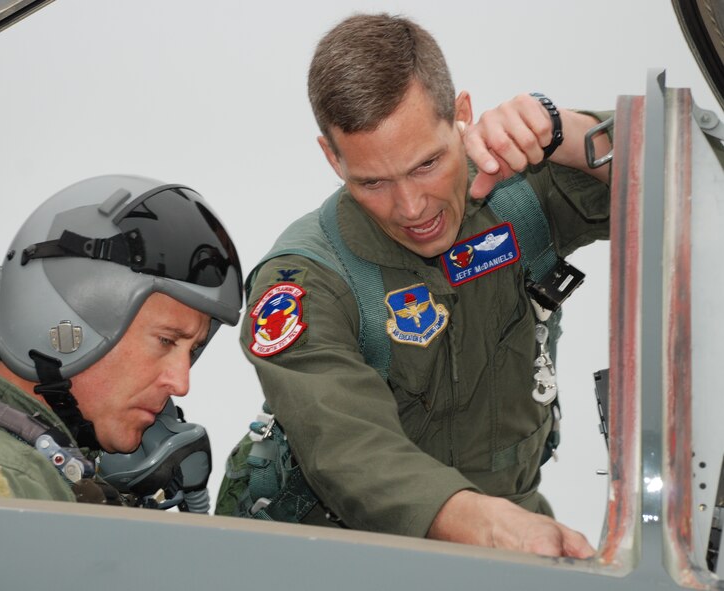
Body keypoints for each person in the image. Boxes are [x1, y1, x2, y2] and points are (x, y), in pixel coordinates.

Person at [217, 13, 612, 558]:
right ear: (332, 158)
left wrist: (567, 133)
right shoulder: (303, 284)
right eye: (372, 181)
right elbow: (351, 452)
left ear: (462, 117)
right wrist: (491, 528)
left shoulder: (516, 194)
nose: (411, 208)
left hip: (514, 534)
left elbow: (699, 174)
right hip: (343, 558)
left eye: (427, 164)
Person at [0, 175, 242, 503]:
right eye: (166, 341)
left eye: (191, 350)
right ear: (64, 325)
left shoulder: (55, 475)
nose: (181, 384)